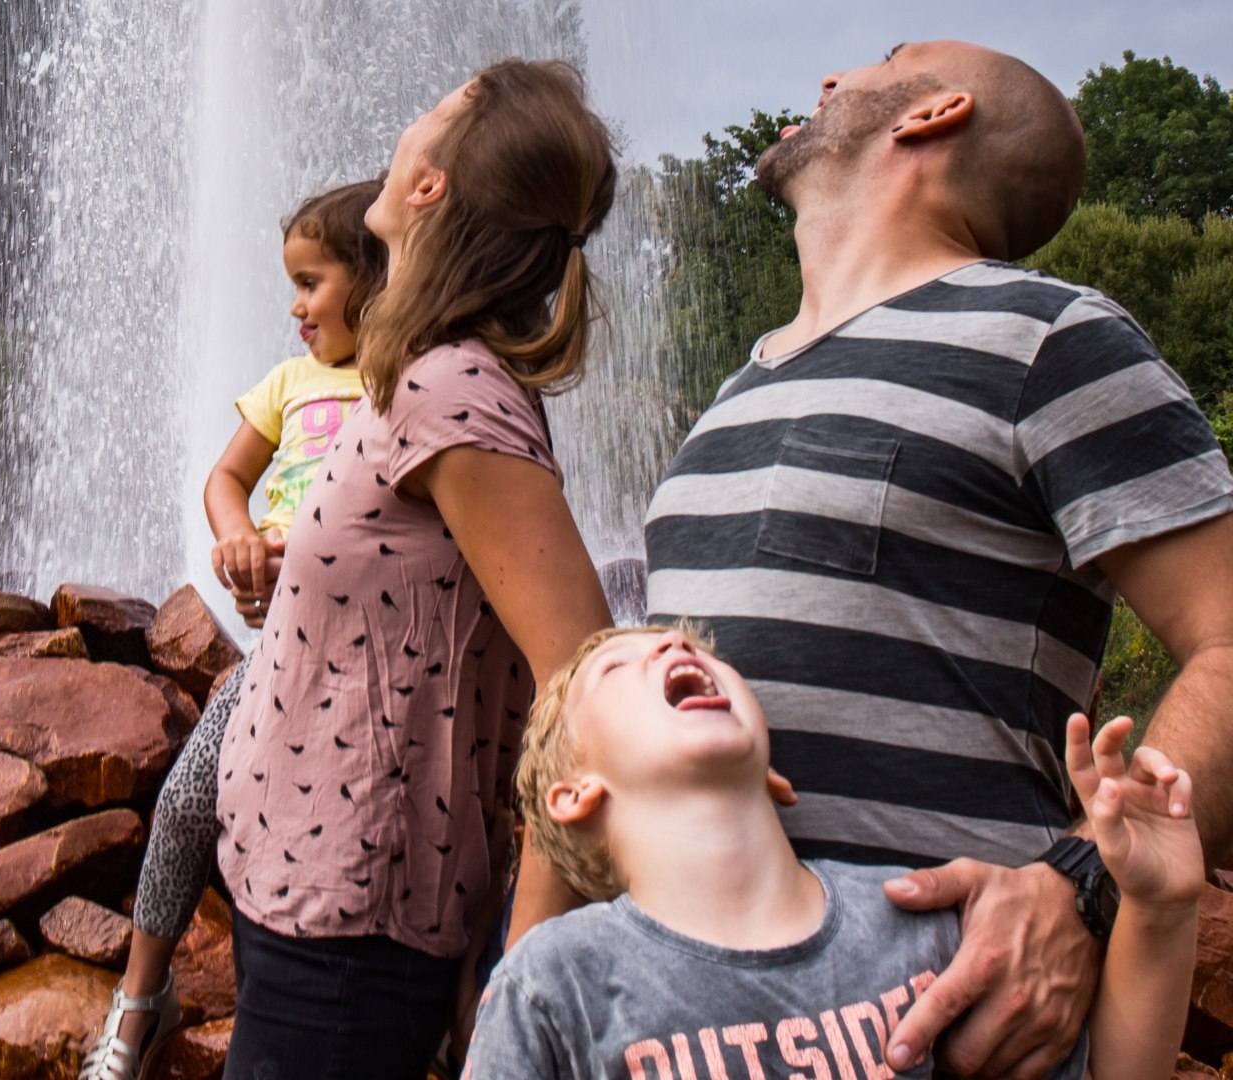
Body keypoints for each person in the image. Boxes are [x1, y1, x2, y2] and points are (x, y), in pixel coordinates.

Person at [504, 39, 1233, 1080]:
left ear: (933, 112)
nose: (829, 76)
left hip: (951, 1025)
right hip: (706, 1034)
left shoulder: (1053, 340)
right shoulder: (733, 398)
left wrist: (1081, 886)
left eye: (886, 58)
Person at [211, 59, 617, 1080]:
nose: (409, 122)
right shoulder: (424, 376)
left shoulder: (452, 391)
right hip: (304, 892)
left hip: (351, 926)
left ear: (430, 186)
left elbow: (586, 686)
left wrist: (521, 962)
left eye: (438, 111)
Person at [466, 625, 1200, 1080]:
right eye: (616, 668)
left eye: (694, 647)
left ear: (772, 774)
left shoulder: (920, 921)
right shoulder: (553, 982)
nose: (672, 645)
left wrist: (1160, 906)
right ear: (574, 794)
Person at [80, 179, 387, 1080]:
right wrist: (240, 539)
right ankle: (141, 997)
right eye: (293, 285)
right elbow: (225, 480)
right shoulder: (289, 384)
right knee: (186, 798)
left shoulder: (409, 382)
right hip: (283, 650)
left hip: (378, 657)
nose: (295, 307)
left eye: (311, 283)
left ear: (373, 278)